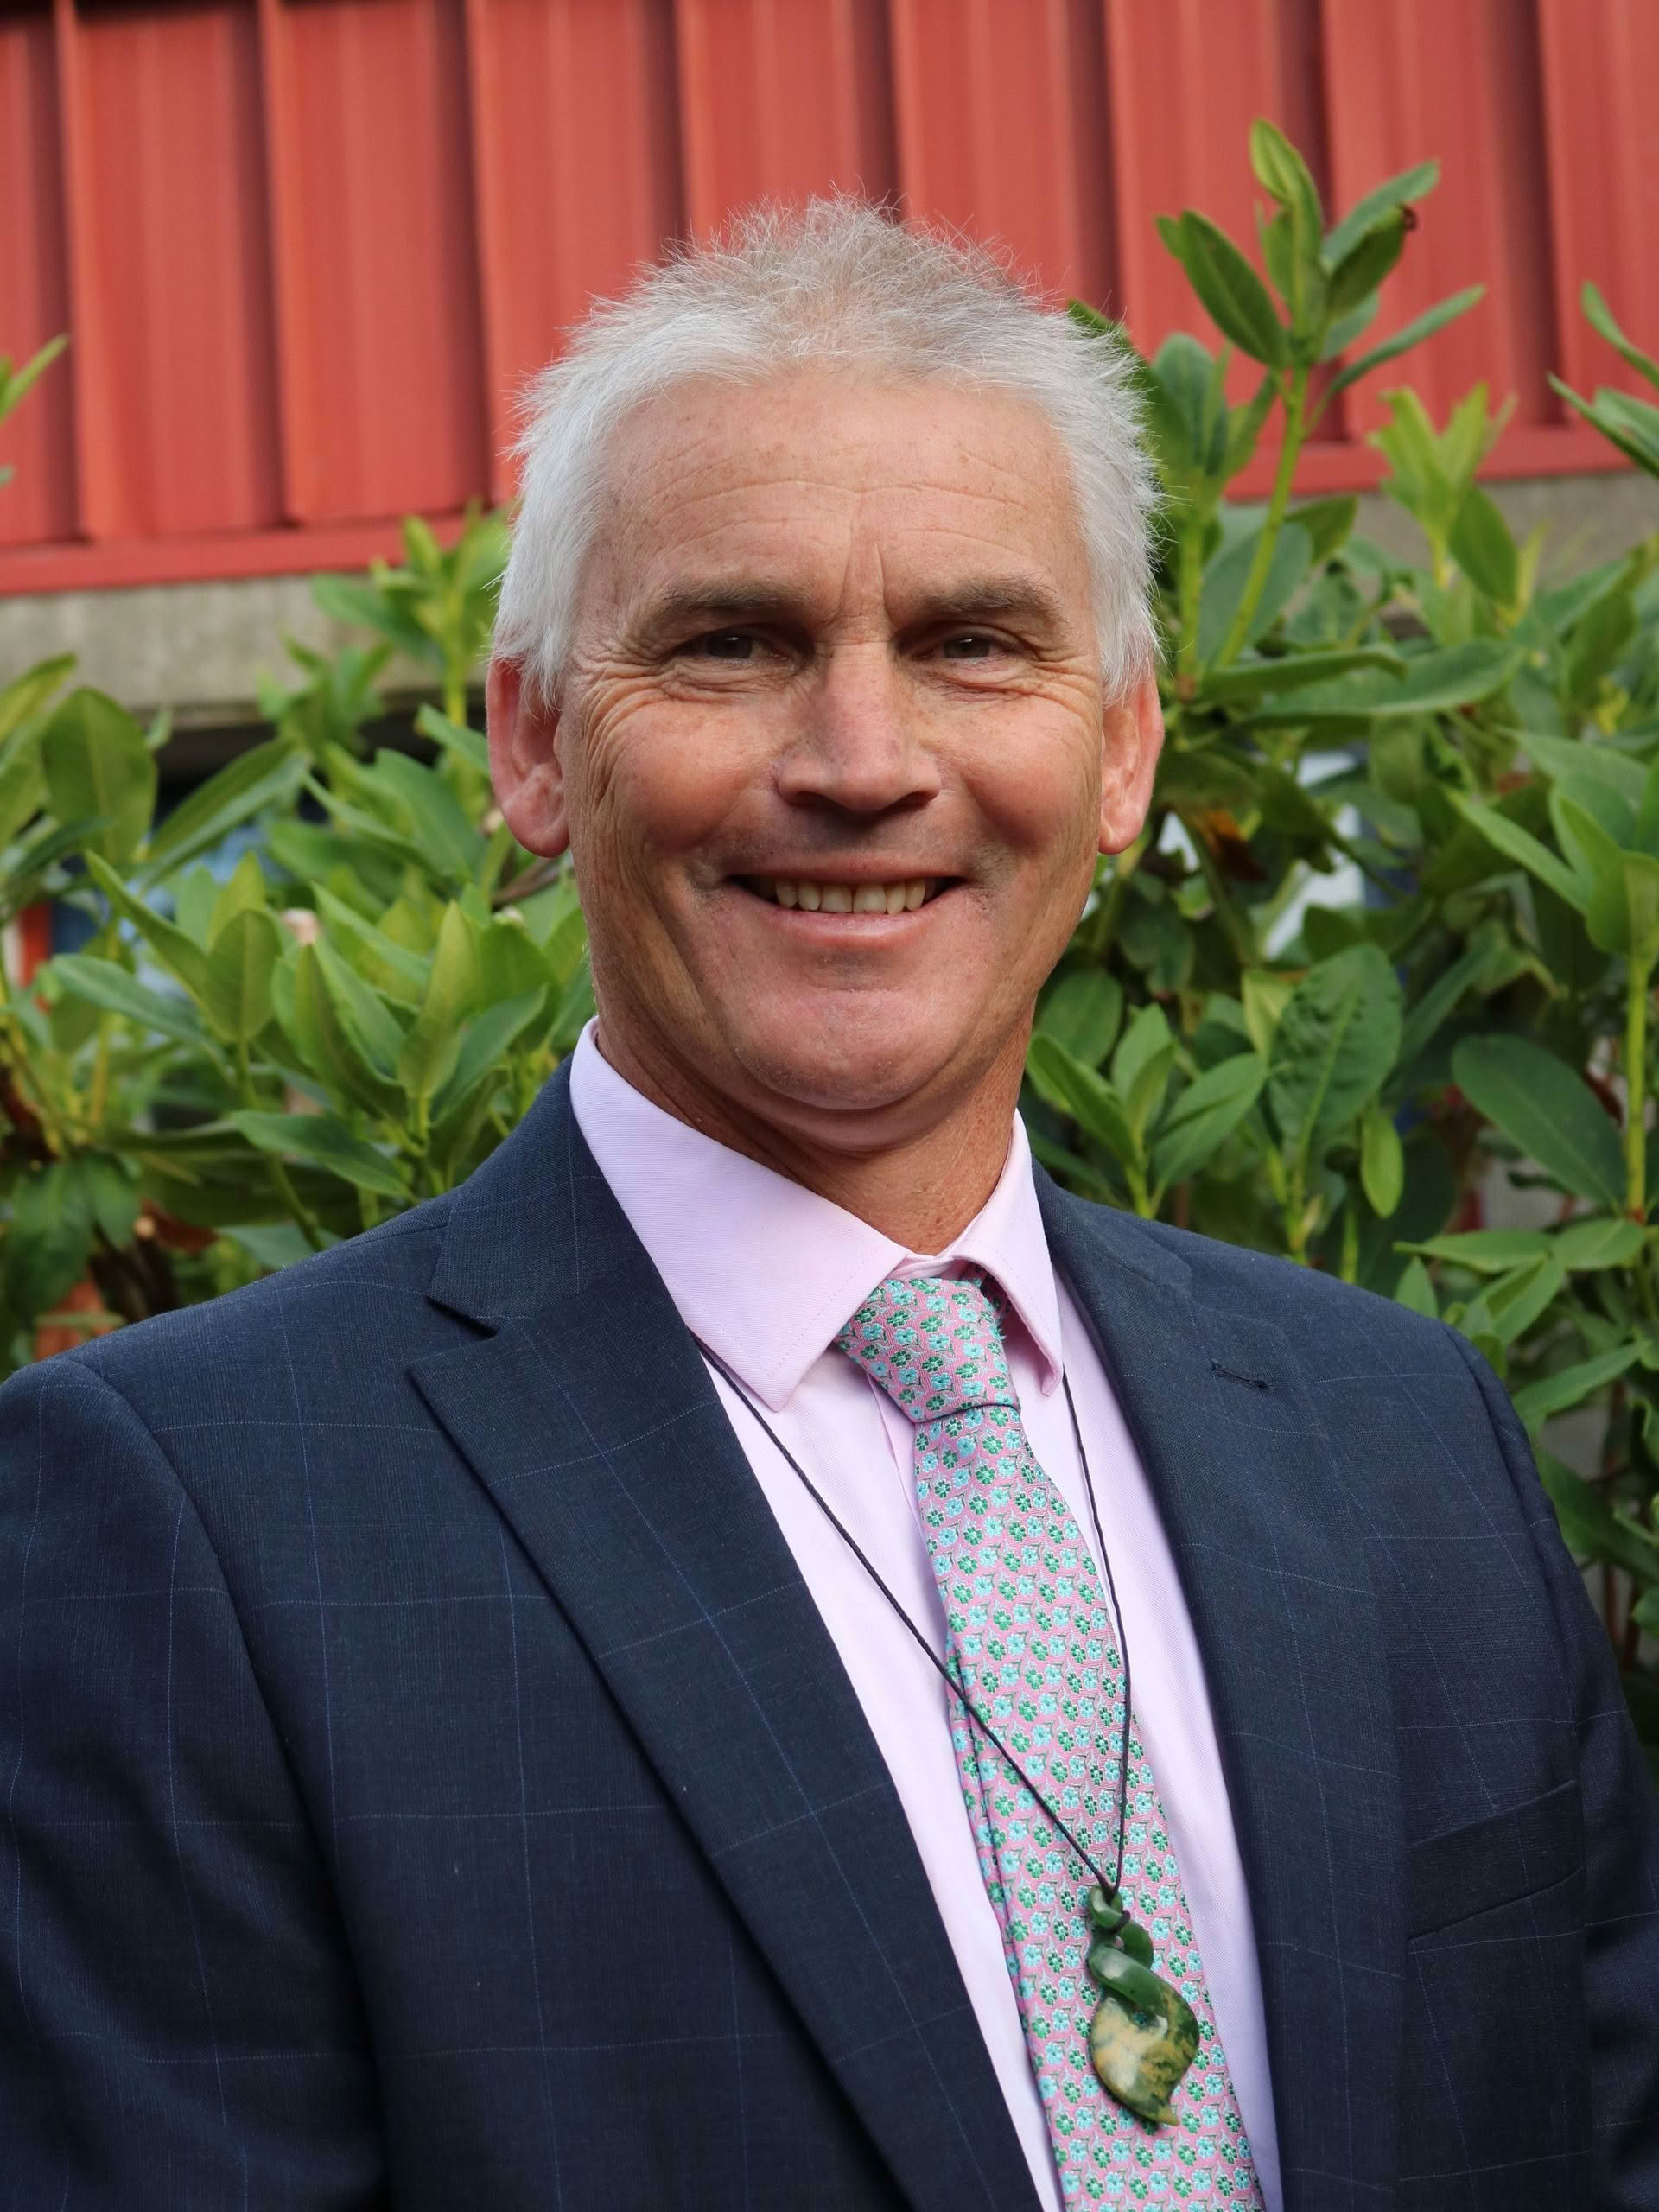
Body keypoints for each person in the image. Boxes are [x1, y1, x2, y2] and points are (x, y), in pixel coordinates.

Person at [1, 202, 1654, 2212]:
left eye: (973, 641)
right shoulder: (180, 1519)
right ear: (534, 744)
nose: (863, 760)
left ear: (1123, 747)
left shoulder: (1409, 1442)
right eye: (735, 641)